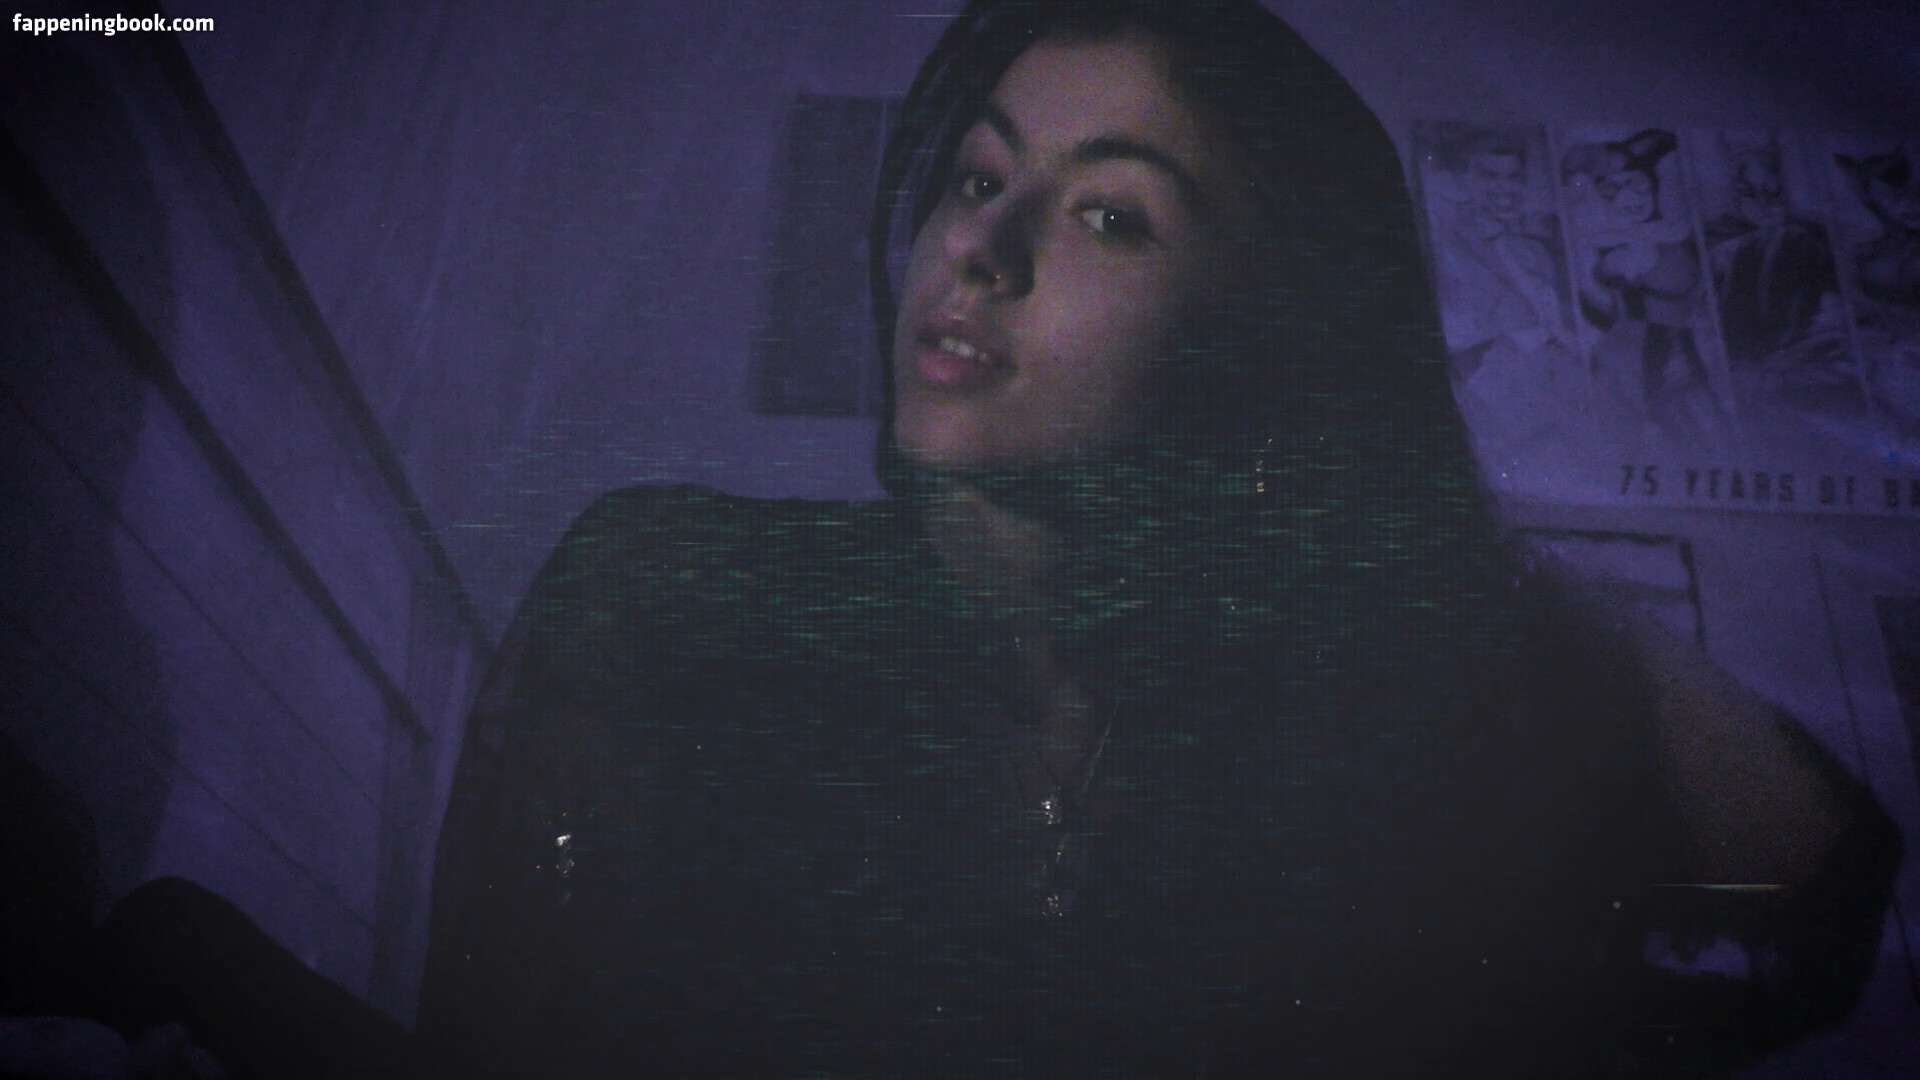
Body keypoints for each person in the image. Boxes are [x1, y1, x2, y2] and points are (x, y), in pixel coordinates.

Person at [415, 3, 1900, 1077]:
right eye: (980, 176)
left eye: (1111, 218)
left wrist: (1452, 549)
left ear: (1263, 349)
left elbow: (1822, 892)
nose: (981, 249)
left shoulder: (1323, 769)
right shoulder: (679, 591)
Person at [1563, 129, 1734, 450]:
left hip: (1681, 368)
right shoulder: (1617, 246)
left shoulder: (1675, 236)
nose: (1629, 198)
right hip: (1637, 370)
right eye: (1612, 189)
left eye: (1637, 184)